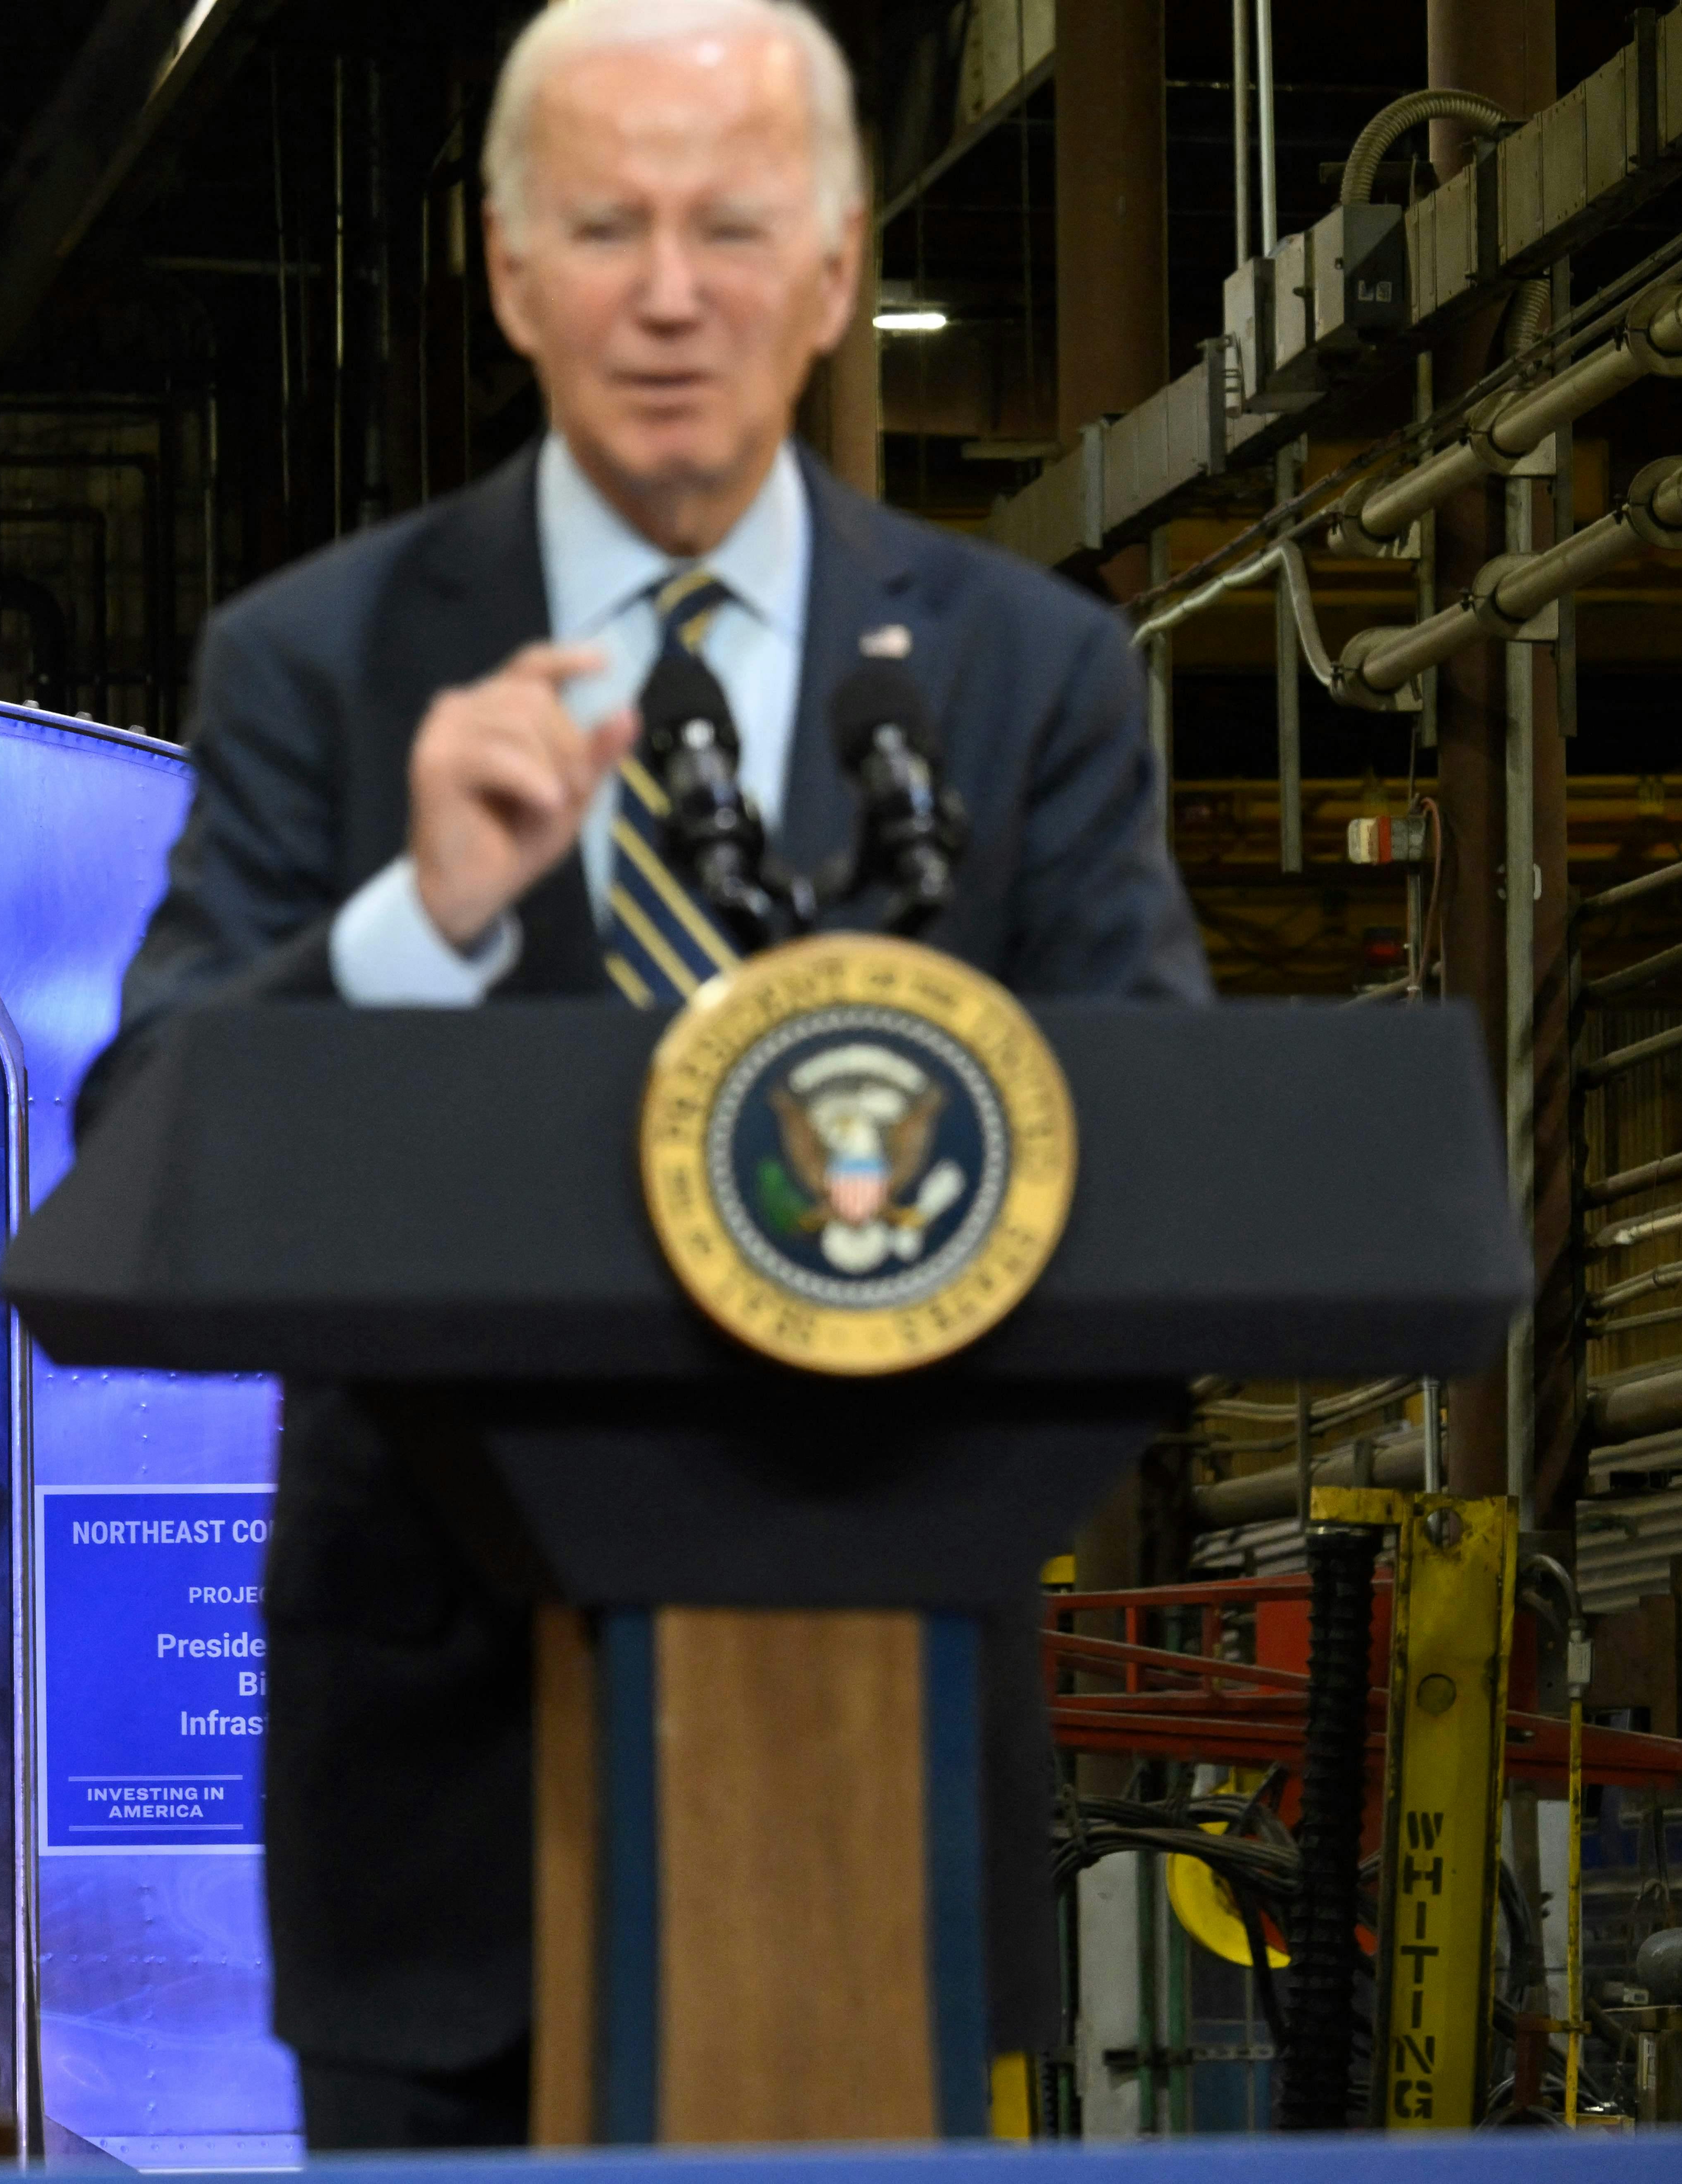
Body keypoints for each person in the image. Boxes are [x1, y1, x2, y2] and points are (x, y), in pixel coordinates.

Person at [77, 0, 1210, 2150]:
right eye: (608, 227)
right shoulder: (322, 663)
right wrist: (413, 926)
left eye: (732, 223)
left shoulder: (1021, 675)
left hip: (883, 1779)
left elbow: (1163, 1165)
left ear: (838, 264)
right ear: (510, 272)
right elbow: (139, 1153)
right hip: (438, 1803)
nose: (673, 291)